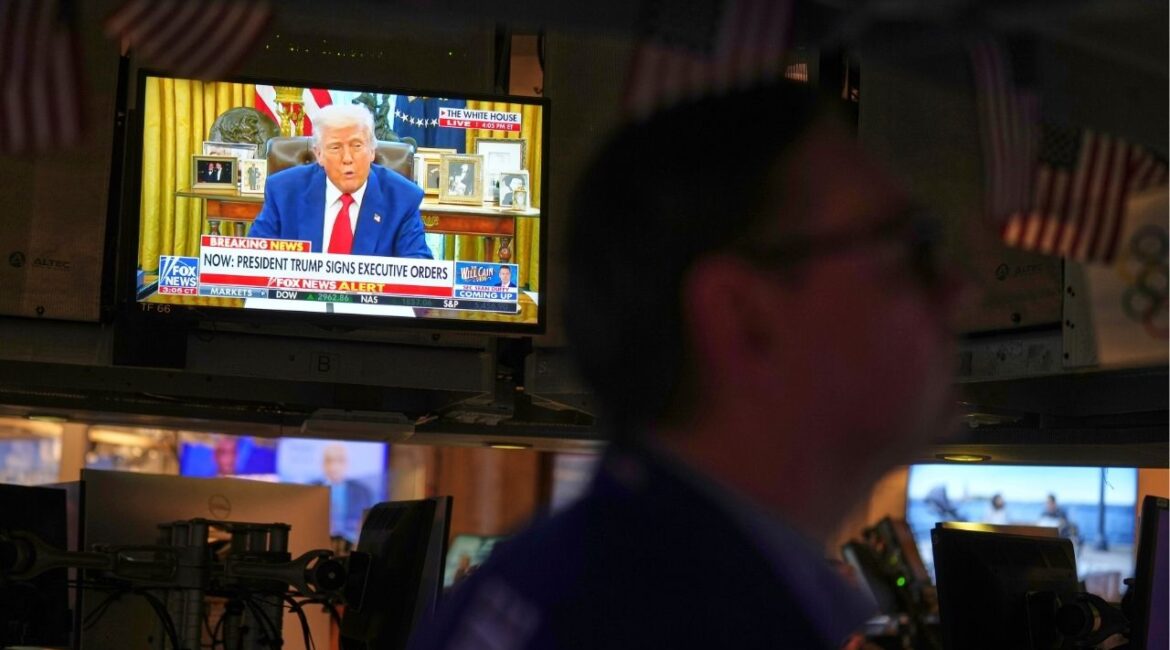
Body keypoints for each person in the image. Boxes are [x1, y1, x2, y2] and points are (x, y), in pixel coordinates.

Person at [410, 81, 967, 649]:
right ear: (742, 317)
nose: (956, 291)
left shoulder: (571, 584)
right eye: (909, 249)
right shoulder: (697, 623)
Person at [248, 103, 433, 258]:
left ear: (372, 150)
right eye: (335, 147)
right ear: (319, 154)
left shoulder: (403, 198)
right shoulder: (283, 191)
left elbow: (419, 275)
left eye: (357, 146)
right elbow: (252, 262)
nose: (347, 158)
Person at [317, 444, 375, 542]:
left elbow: (368, 524)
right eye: (329, 460)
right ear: (323, 464)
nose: (334, 466)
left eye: (340, 460)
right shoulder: (313, 489)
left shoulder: (362, 492)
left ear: (347, 463)